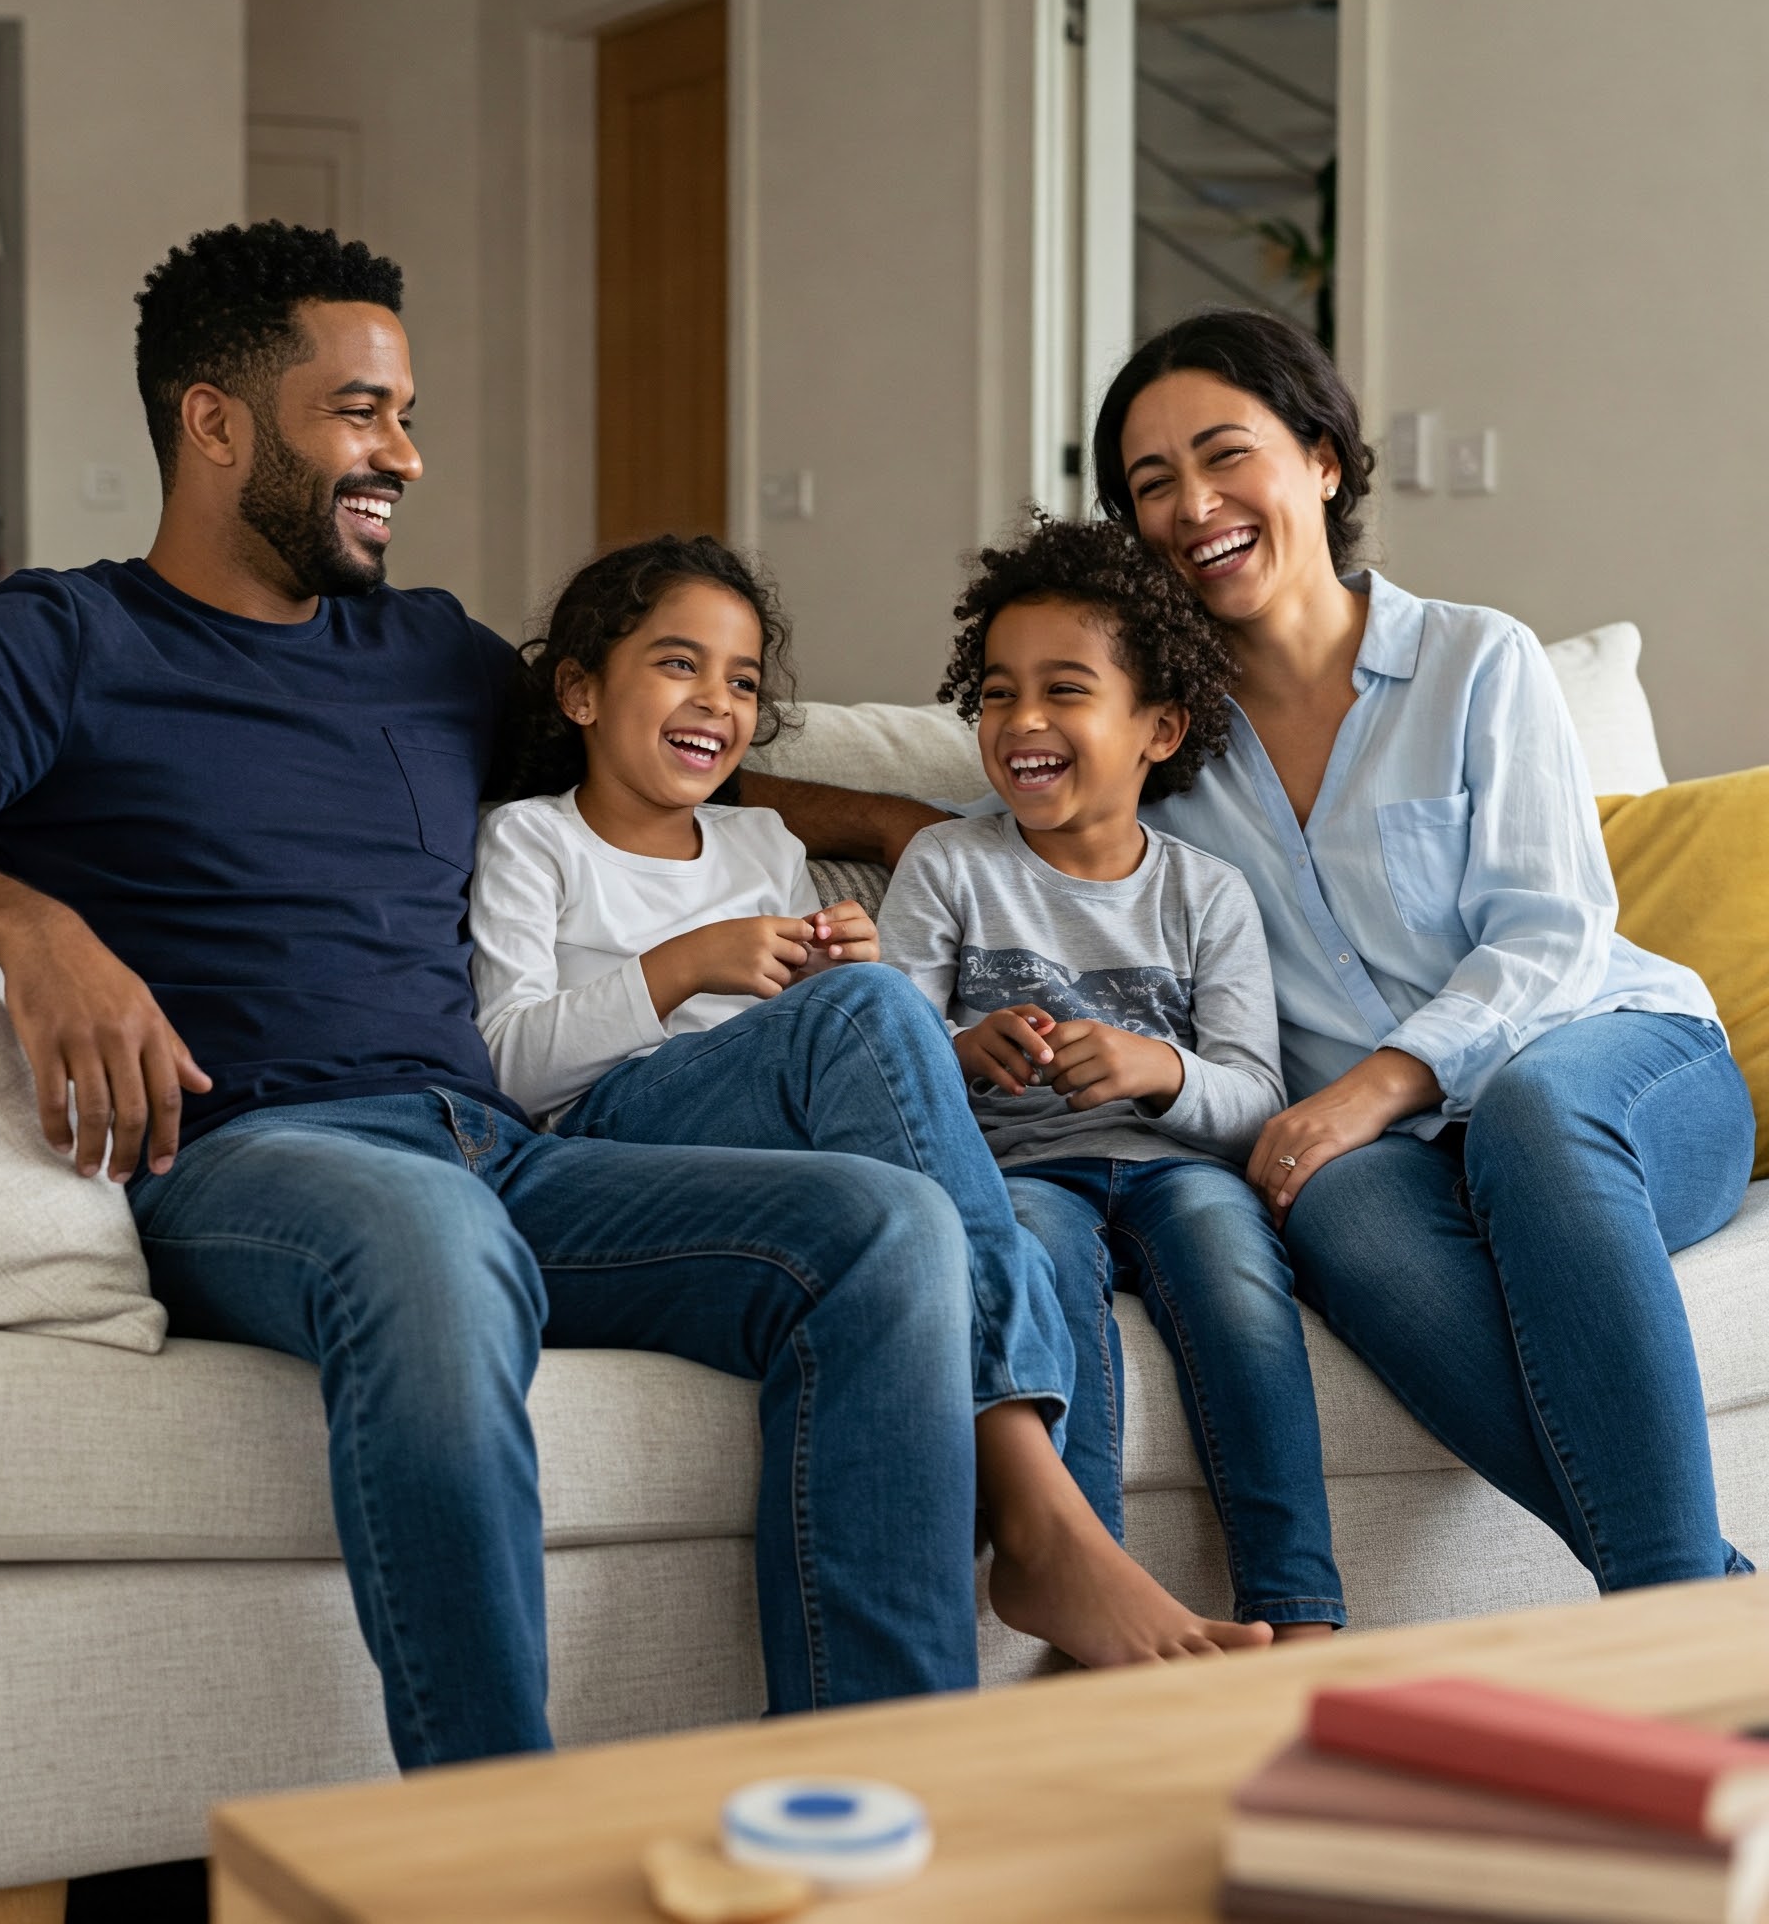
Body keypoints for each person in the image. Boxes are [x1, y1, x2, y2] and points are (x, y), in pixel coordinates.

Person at [0, 222, 993, 1768]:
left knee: (883, 1231)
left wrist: (892, 825)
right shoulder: (69, 638)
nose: (403, 453)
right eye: (361, 413)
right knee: (430, 1230)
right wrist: (32, 926)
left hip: (498, 1145)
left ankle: (884, 1807)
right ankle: (487, 1844)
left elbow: (650, 756)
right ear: (215, 424)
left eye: (405, 414)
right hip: (258, 1162)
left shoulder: (431, 655)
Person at [469, 533, 1270, 1664]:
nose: (716, 699)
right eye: (678, 665)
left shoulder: (760, 837)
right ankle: (1041, 1507)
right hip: (605, 1134)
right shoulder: (532, 839)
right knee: (878, 1011)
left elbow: (826, 1049)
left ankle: (1053, 1526)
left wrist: (837, 966)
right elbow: (506, 1066)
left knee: (876, 1010)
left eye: (743, 680)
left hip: (761, 1153)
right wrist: (684, 964)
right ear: (579, 689)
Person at [1090, 307, 1753, 1592]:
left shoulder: (1472, 658)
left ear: (1322, 458)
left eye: (1226, 454)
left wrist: (1370, 1083)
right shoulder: (1160, 751)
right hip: (1392, 1159)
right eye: (1151, 482)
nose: (1192, 504)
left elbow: (1553, 933)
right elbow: (1013, 828)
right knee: (1328, 1205)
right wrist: (781, 799)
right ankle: (1698, 1600)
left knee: (1527, 1109)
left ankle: (1683, 1626)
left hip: (1621, 1074)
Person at [879, 516, 1345, 1638]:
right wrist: (957, 1052)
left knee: (1239, 1277)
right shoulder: (949, 864)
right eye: (996, 693)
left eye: (1063, 690)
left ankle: (1297, 1601)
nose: (1021, 722)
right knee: (1040, 1262)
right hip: (1021, 1170)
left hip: (1174, 1170)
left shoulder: (1206, 892)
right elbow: (879, 1049)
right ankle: (1087, 1580)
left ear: (1157, 726)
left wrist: (1157, 1068)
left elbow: (1249, 1099)